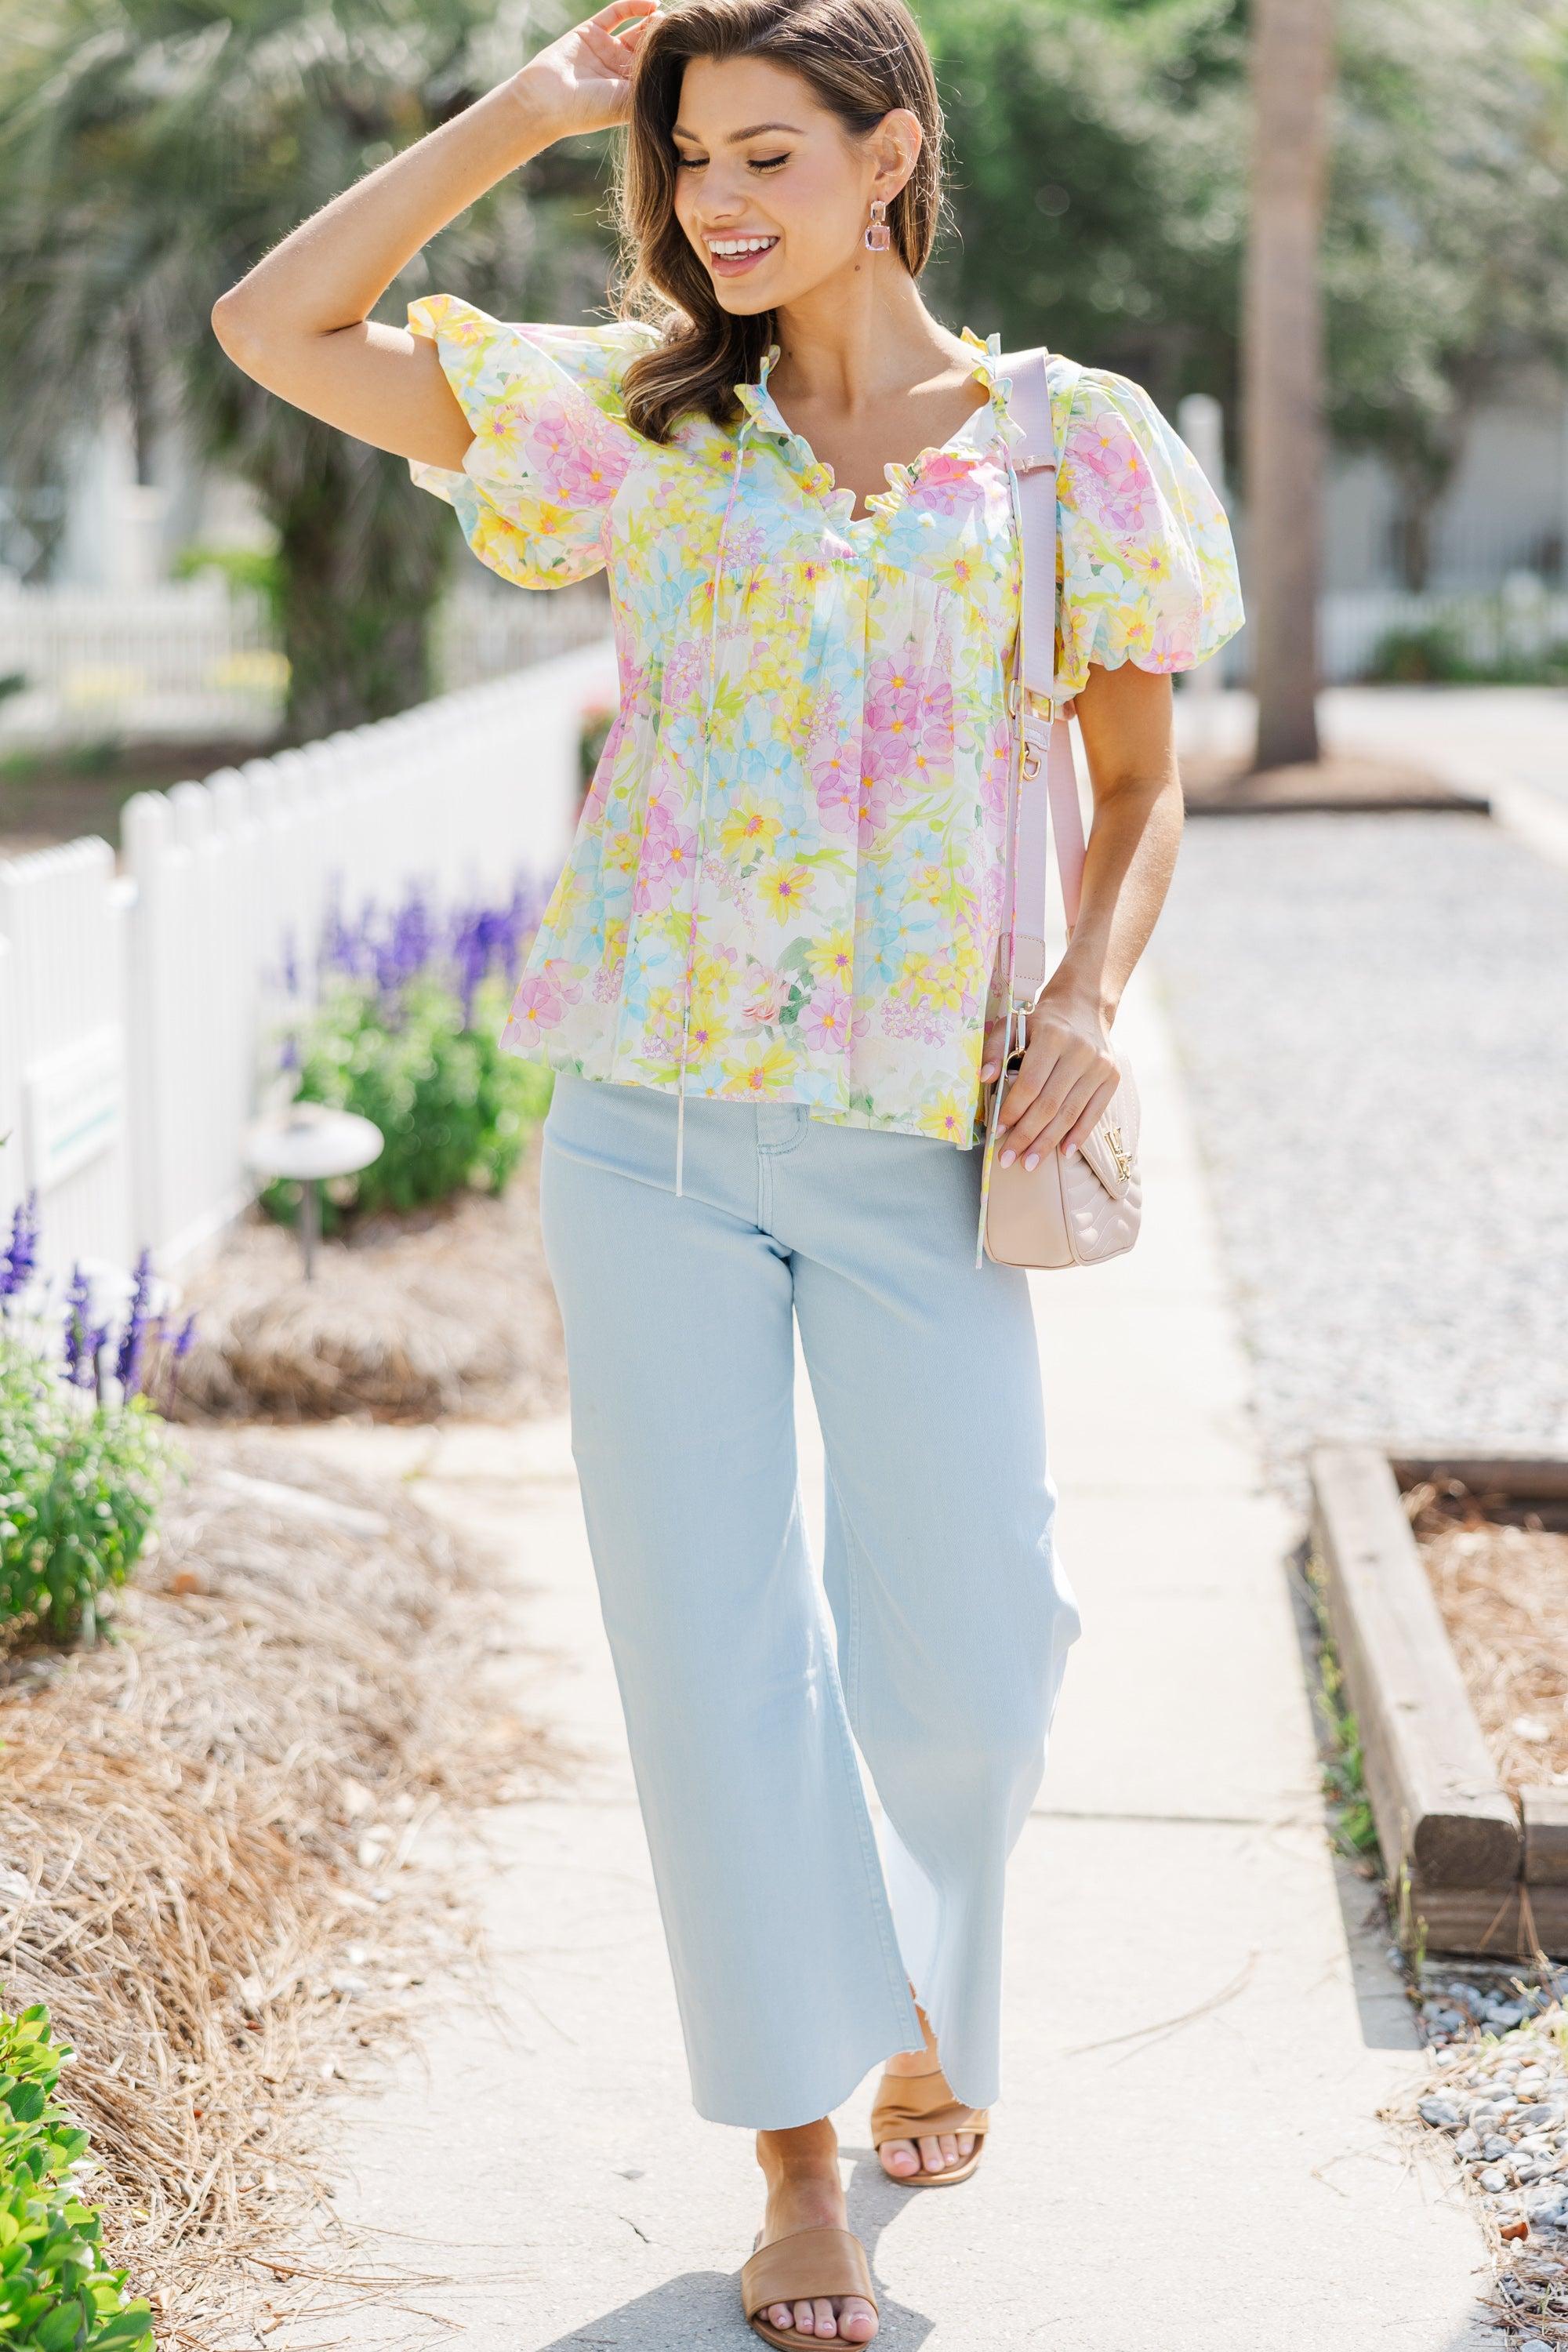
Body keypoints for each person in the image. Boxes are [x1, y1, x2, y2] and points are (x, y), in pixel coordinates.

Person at [212, 0, 1243, 2339]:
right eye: (689, 163)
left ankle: (920, 1988)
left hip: (918, 1147)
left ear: (897, 157)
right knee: (714, 1663)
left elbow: (1142, 771)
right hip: (648, 1141)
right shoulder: (633, 424)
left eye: (770, 153)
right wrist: (539, 103)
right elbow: (278, 323)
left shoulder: (1072, 442)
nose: (717, 203)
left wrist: (1086, 990)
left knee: (979, 1653)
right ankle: (793, 2159)